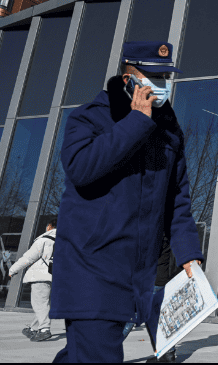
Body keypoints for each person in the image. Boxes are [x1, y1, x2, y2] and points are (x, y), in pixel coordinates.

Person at [50, 41, 204, 363]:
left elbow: (177, 199)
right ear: (128, 81)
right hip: (90, 268)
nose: (160, 85)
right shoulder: (91, 117)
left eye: (165, 77)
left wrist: (189, 253)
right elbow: (80, 167)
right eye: (153, 77)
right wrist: (136, 122)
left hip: (137, 277)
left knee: (82, 356)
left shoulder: (169, 132)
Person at [122, 237, 180, 363]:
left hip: (150, 281)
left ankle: (106, 350)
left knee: (131, 316)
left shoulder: (156, 229)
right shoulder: (166, 229)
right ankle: (168, 354)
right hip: (159, 280)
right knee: (156, 319)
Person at [9, 219, 57, 342]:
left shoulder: (44, 240)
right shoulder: (65, 242)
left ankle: (44, 329)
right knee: (43, 304)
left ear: (50, 226)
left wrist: (13, 269)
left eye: (47, 225)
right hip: (56, 277)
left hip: (41, 276)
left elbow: (28, 257)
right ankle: (33, 328)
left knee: (40, 304)